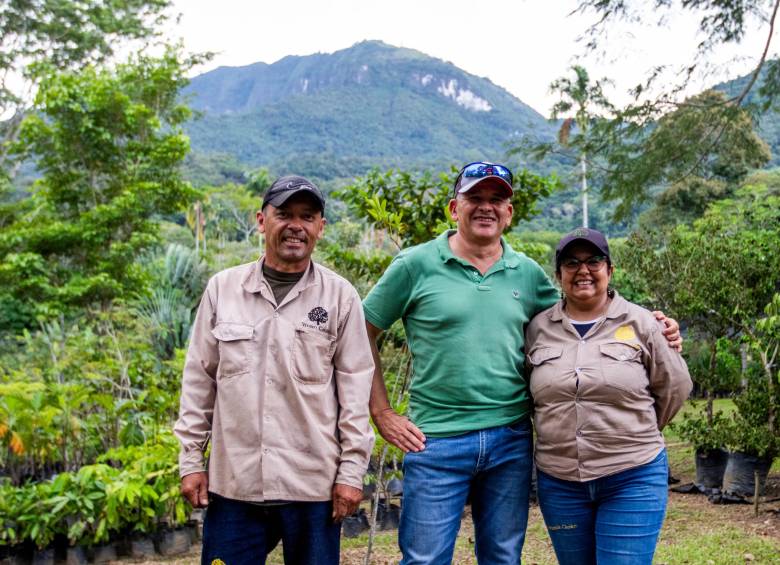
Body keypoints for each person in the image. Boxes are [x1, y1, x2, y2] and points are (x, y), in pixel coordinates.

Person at [362, 162, 682, 564]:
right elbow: (361, 332)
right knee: (424, 559)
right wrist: (382, 411)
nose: (486, 208)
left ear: (509, 212)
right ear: (453, 208)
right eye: (474, 199)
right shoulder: (414, 265)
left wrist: (654, 325)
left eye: (497, 200)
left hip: (510, 440)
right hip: (435, 438)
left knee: (501, 556)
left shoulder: (526, 274)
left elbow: (581, 316)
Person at [174, 175, 375, 565]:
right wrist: (190, 461)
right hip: (235, 487)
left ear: (320, 227)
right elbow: (199, 381)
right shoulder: (223, 290)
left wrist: (351, 472)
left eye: (307, 216)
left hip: (313, 488)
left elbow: (355, 392)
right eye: (284, 214)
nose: (295, 225)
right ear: (262, 221)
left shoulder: (340, 297)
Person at [526, 228, 692, 565]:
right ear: (558, 275)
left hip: (632, 474)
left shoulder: (644, 323)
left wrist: (636, 429)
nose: (583, 270)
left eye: (594, 261)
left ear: (610, 270)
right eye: (571, 263)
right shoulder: (537, 328)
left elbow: (675, 386)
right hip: (560, 483)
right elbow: (527, 393)